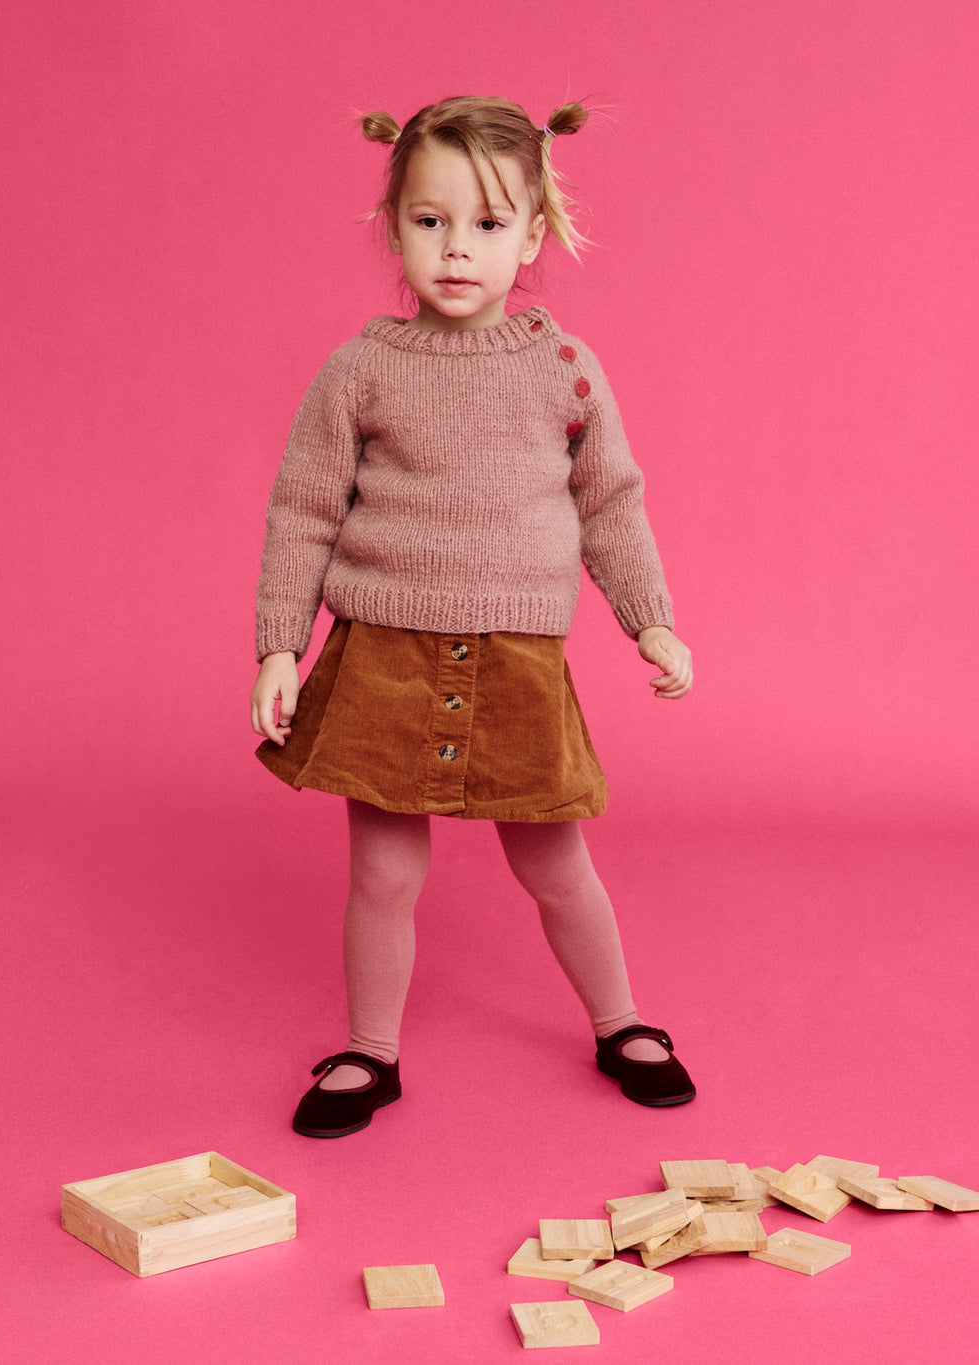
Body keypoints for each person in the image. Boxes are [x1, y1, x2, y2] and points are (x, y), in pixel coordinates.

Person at [250, 96, 695, 1138]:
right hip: (381, 658)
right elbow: (304, 509)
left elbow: (610, 504)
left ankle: (621, 1022)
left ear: (532, 236)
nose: (457, 249)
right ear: (393, 225)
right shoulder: (360, 372)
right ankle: (370, 1050)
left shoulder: (564, 370)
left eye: (488, 224)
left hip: (519, 664)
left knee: (554, 863)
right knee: (383, 870)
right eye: (430, 220)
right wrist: (279, 645)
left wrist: (651, 620)